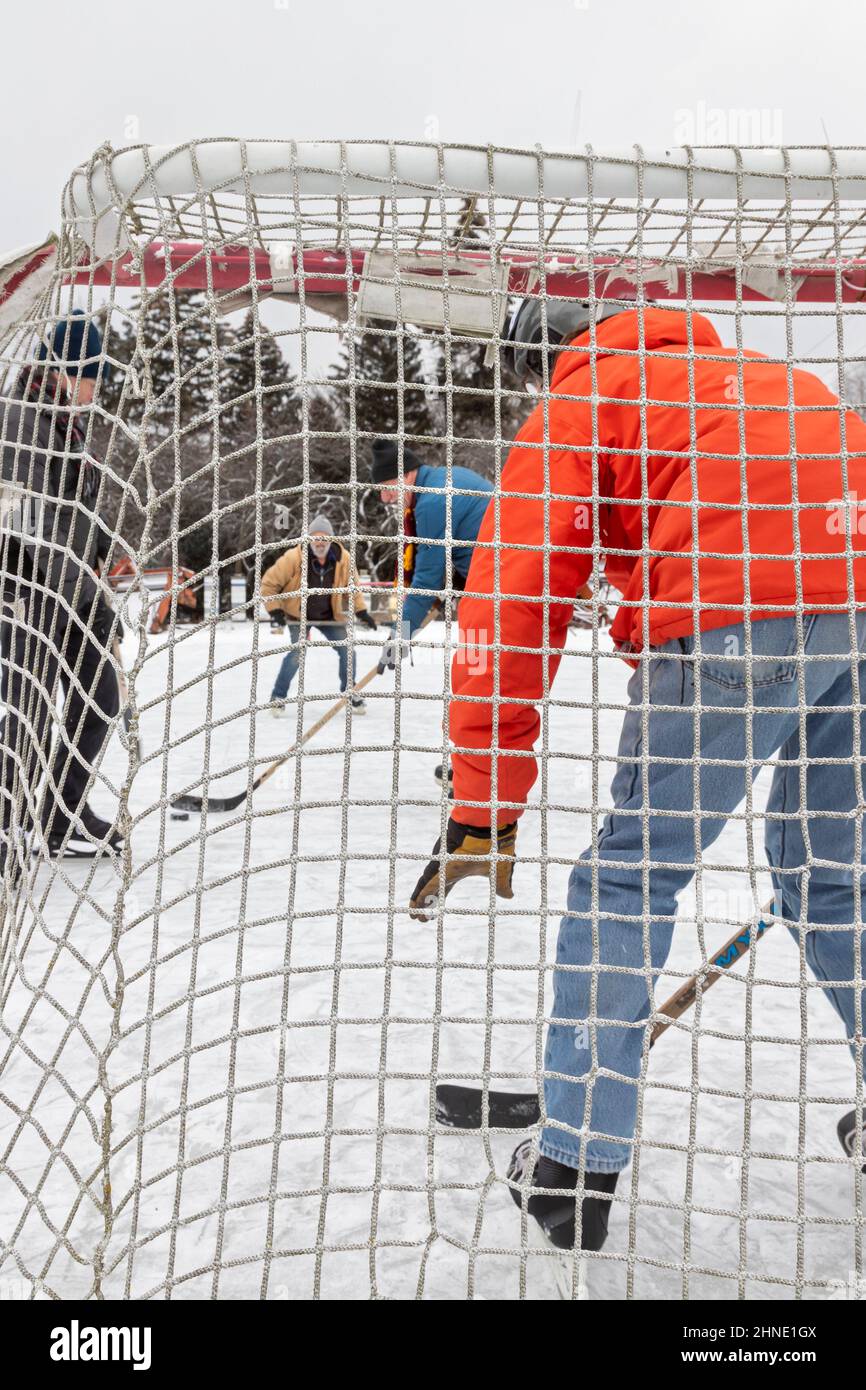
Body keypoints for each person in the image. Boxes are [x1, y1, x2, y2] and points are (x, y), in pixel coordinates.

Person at [409, 296, 866, 1251]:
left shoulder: (582, 401)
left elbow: (512, 598)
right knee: (830, 880)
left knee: (629, 876)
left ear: (550, 358)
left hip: (738, 622)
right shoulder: (767, 384)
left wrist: (486, 803)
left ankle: (573, 1163)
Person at [0, 310, 123, 863]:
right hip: (27, 591)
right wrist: (90, 595)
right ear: (66, 370)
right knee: (24, 706)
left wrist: (101, 548)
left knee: (100, 697)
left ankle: (59, 812)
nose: (97, 389)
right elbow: (32, 523)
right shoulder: (21, 418)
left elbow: (75, 508)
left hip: (67, 591)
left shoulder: (65, 422)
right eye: (93, 375)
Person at [370, 439, 494, 674]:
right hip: (494, 576)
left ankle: (481, 702)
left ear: (406, 475)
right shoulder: (451, 476)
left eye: (387, 487)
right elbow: (472, 530)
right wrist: (462, 575)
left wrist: (400, 636)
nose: (385, 498)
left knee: (477, 667)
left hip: (494, 588)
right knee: (484, 663)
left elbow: (426, 581)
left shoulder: (432, 502)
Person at [261, 514, 376, 716]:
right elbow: (269, 584)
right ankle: (278, 697)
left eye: (324, 537)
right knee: (297, 653)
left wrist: (362, 611)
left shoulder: (344, 559)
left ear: (331, 540)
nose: (319, 542)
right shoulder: (293, 558)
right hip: (298, 615)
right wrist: (276, 610)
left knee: (347, 650)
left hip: (330, 616)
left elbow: (354, 588)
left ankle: (350, 692)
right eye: (315, 537)